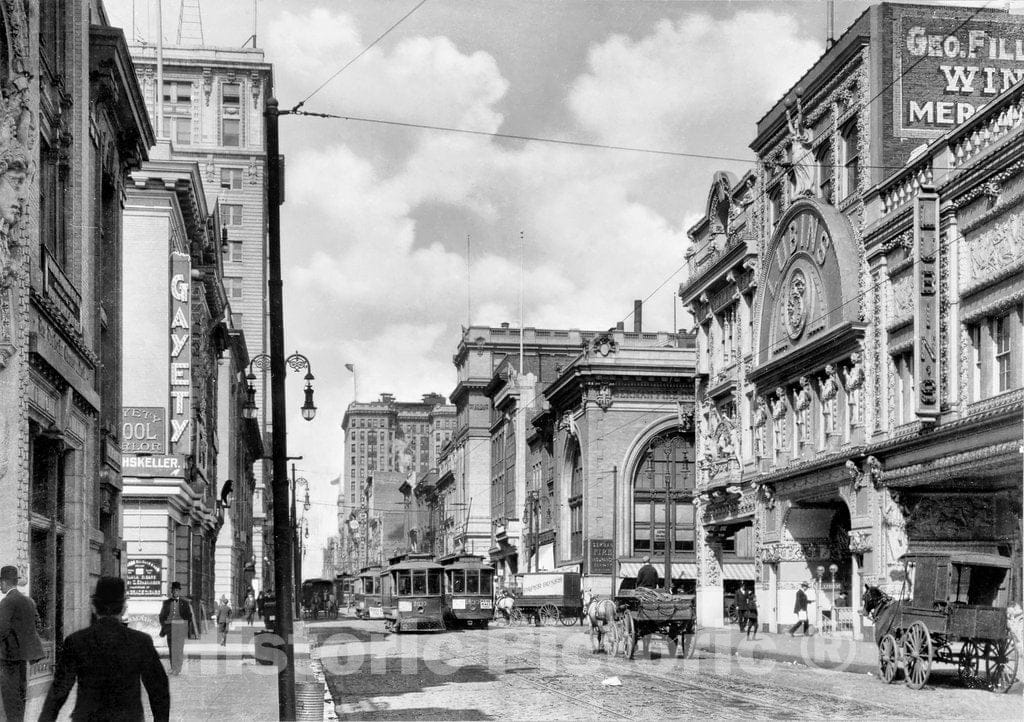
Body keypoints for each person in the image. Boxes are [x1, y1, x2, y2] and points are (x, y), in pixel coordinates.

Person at [39, 577, 169, 722]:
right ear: (124, 608)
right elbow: (159, 689)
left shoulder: (76, 641)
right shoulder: (140, 641)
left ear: (93, 607)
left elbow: (59, 690)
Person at [0, 565, 45, 722]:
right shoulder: (29, 601)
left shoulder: (7, 602)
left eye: (0, 583)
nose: (0, 586)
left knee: (9, 699)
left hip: (8, 659)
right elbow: (38, 625)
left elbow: (2, 630)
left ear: (5, 583)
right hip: (23, 659)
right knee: (20, 696)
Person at [158, 582, 194, 675]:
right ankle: (173, 667)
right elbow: (162, 616)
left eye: (177, 591)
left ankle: (178, 668)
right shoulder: (166, 602)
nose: (176, 592)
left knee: (179, 648)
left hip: (180, 628)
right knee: (171, 648)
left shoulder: (185, 603)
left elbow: (189, 616)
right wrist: (165, 627)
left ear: (179, 591)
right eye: (174, 591)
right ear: (172, 592)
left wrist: (185, 627)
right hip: (170, 629)